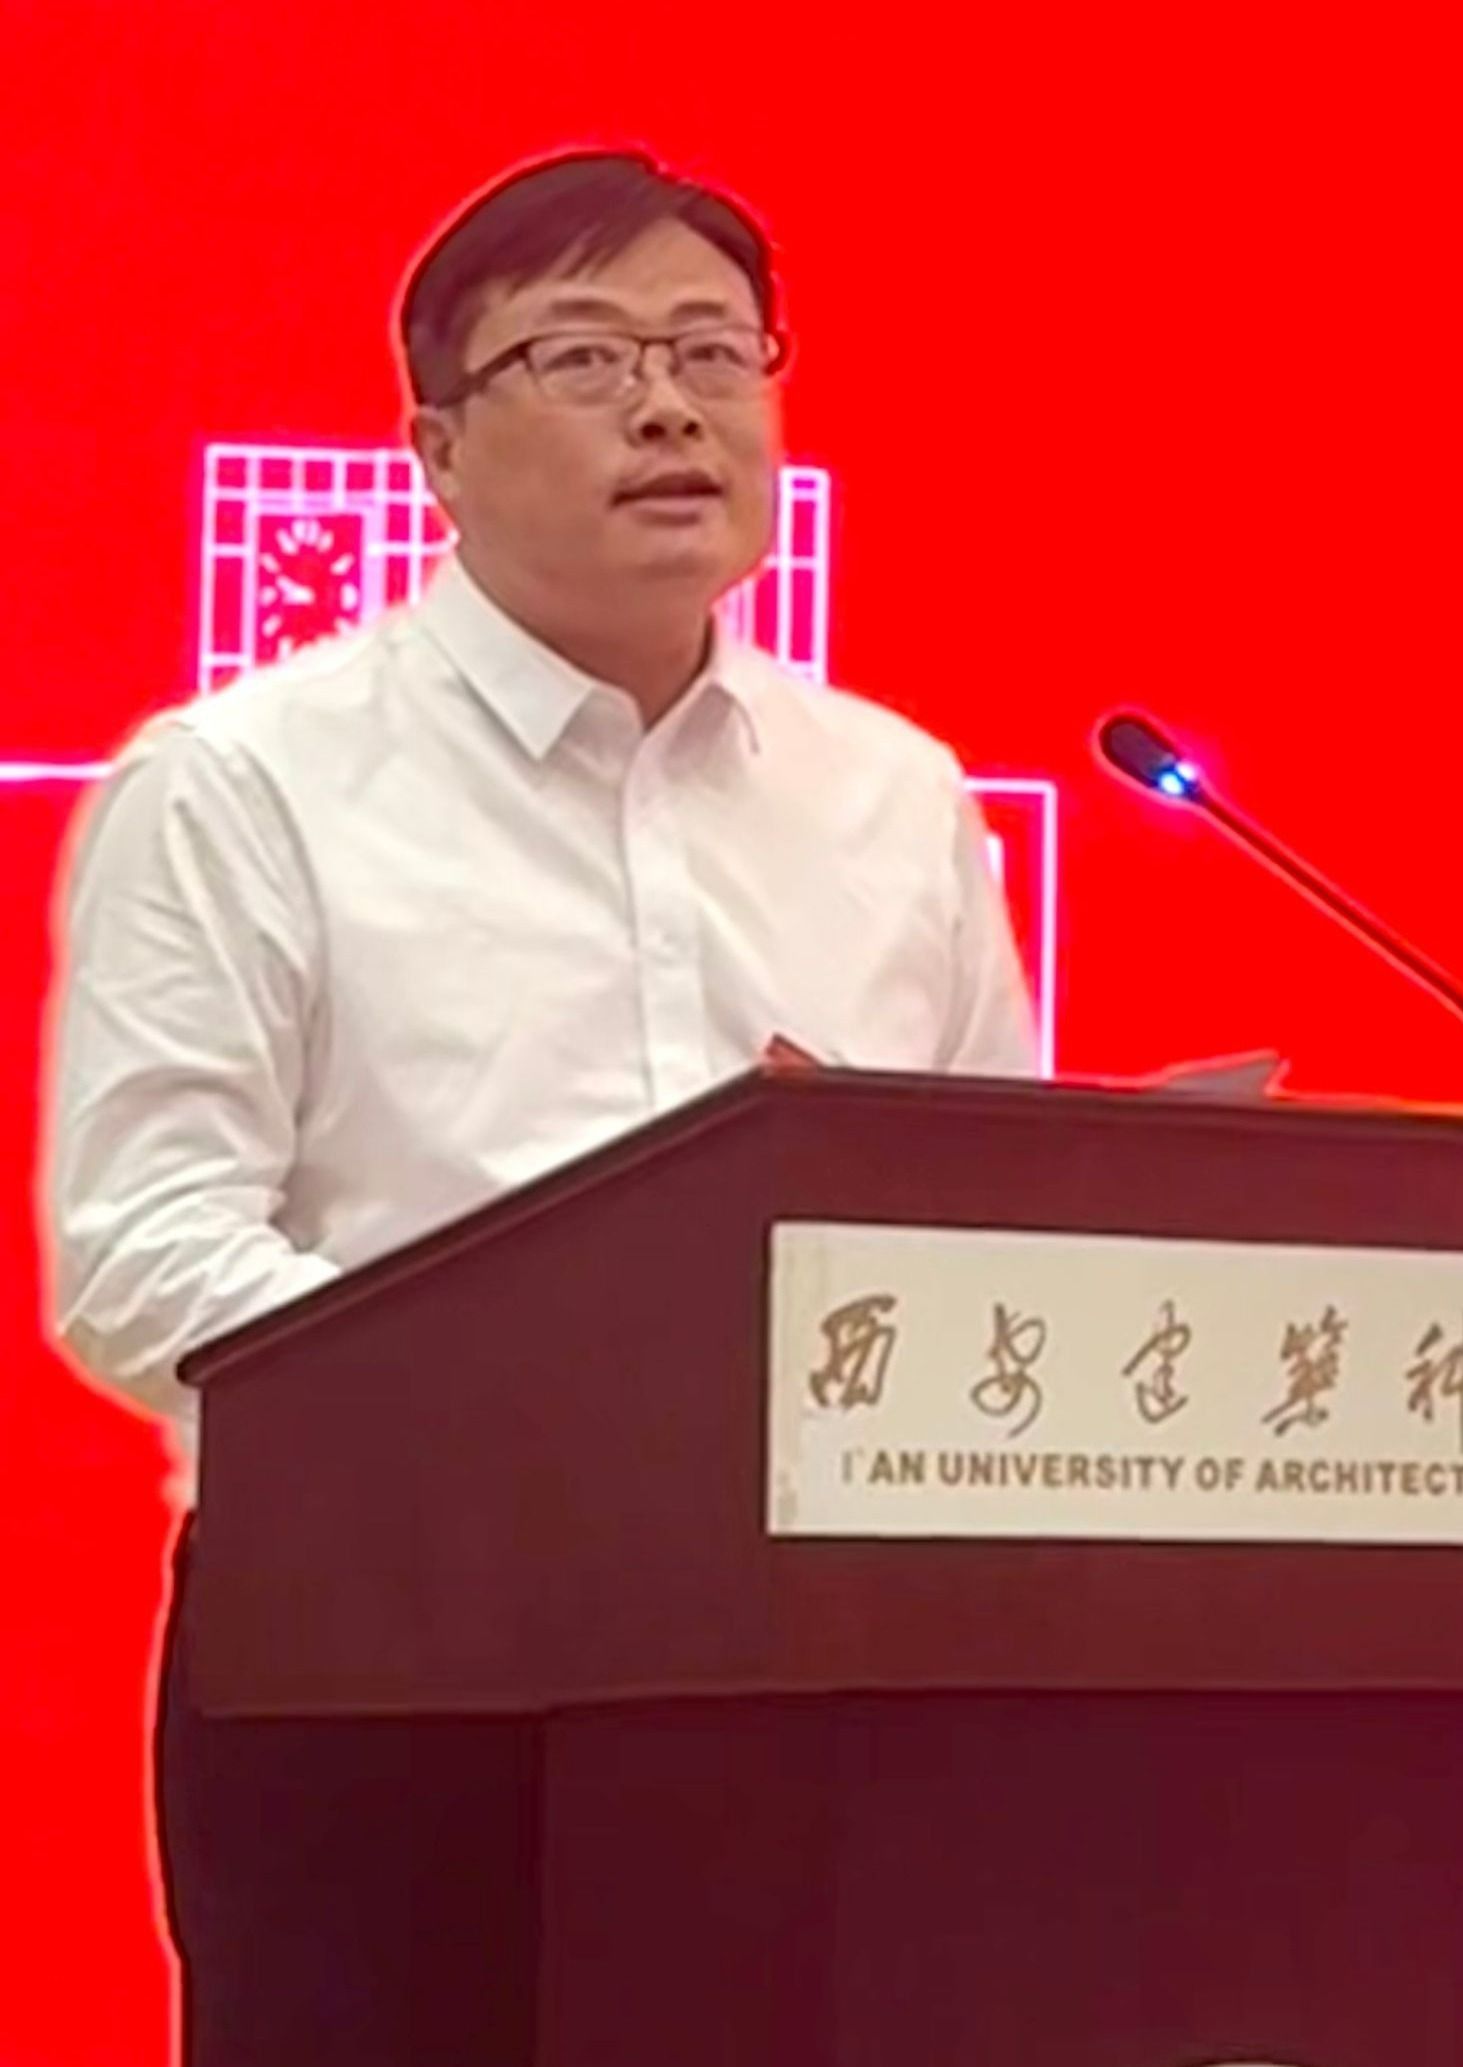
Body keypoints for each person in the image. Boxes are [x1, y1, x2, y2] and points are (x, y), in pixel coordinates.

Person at [40, 147, 1036, 2065]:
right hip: (386, 1667)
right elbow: (141, 1254)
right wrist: (547, 1395)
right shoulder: (246, 783)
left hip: (818, 1678)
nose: (669, 407)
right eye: (584, 357)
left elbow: (979, 1219)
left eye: (713, 350)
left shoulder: (894, 794)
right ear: (434, 446)